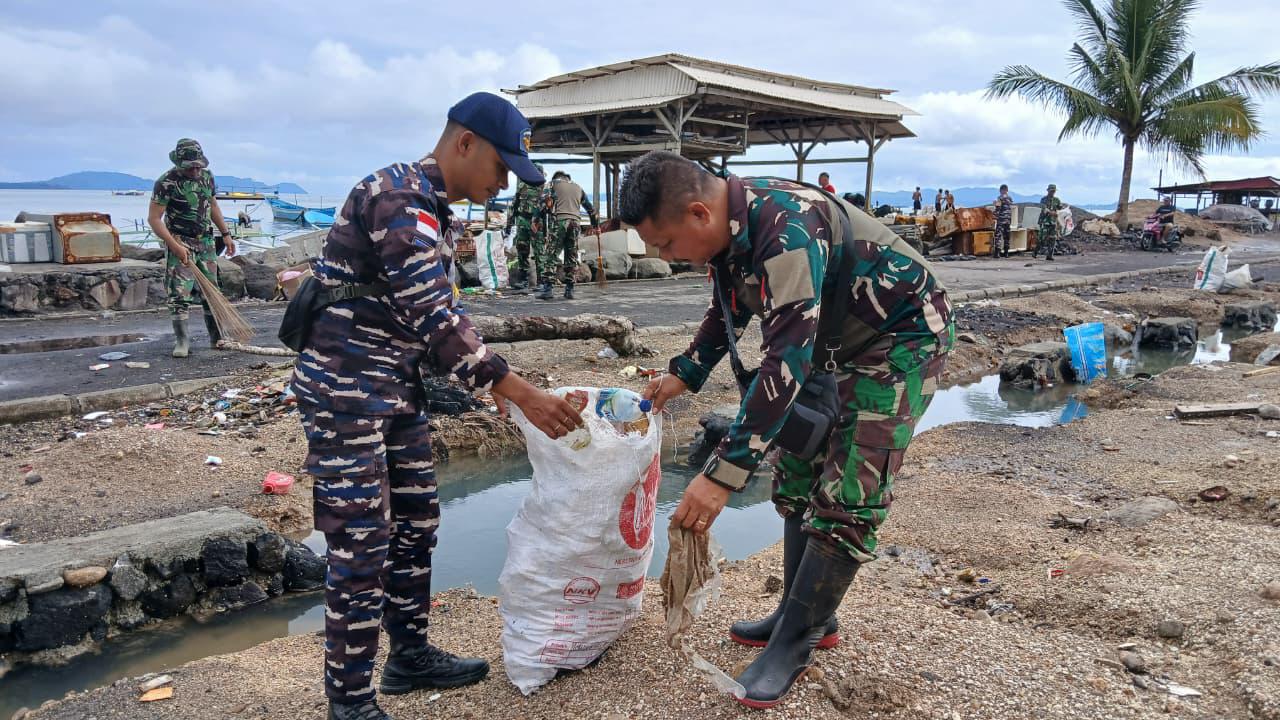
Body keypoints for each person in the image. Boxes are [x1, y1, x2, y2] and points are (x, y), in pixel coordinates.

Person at [619, 151, 954, 709]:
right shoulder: (729, 231)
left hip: (900, 342)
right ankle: (799, 617)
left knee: (850, 494)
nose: (663, 256)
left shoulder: (786, 229)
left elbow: (784, 364)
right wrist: (685, 372)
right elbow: (726, 308)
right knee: (798, 470)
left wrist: (722, 475)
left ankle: (796, 643)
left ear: (700, 215)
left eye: (666, 244)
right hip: (835, 342)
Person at [290, 92, 584, 720]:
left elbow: (440, 318)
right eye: (501, 167)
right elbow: (432, 314)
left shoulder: (436, 210)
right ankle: (351, 702)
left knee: (418, 524)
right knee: (361, 545)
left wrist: (498, 392)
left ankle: (409, 656)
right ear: (464, 143)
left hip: (396, 388)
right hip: (347, 392)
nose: (504, 182)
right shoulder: (400, 199)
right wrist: (521, 393)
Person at [148, 138, 236, 358]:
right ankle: (182, 341)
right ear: (180, 164)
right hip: (179, 239)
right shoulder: (166, 182)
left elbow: (213, 205)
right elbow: (154, 219)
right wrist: (174, 246)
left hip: (205, 241)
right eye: (191, 166)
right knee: (179, 292)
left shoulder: (207, 177)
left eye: (199, 165)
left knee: (212, 290)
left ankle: (217, 338)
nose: (196, 170)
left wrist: (225, 234)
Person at [537, 171, 598, 300]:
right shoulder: (578, 188)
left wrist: (536, 220)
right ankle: (570, 289)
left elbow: (542, 203)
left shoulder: (552, 184)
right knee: (571, 255)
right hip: (575, 224)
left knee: (551, 255)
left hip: (560, 222)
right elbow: (591, 210)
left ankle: (548, 289)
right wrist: (596, 226)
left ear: (557, 178)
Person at [503, 162, 545, 290]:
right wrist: (509, 225)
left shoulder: (544, 189)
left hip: (537, 223)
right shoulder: (522, 186)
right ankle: (524, 280)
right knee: (522, 250)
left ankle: (542, 282)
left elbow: (548, 210)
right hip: (522, 221)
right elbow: (514, 206)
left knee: (539, 252)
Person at [1034, 183, 1063, 261]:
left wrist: (1061, 212)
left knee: (1053, 239)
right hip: (1044, 221)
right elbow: (1043, 209)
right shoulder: (1043, 199)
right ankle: (1035, 252)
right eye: (1051, 191)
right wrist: (1051, 212)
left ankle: (1050, 255)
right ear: (1048, 191)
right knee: (1042, 238)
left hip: (1053, 222)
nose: (1052, 192)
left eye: (1054, 191)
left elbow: (1060, 209)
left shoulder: (1057, 200)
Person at [992, 184, 1014, 258]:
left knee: (998, 235)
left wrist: (993, 213)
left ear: (1001, 190)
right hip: (1008, 220)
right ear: (1007, 190)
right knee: (1007, 236)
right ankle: (1006, 253)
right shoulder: (1010, 198)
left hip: (1001, 219)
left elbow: (998, 209)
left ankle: (997, 253)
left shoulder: (1000, 198)